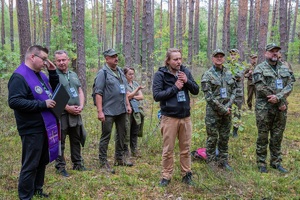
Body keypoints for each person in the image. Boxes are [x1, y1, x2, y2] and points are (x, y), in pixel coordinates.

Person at [8, 45, 59, 199]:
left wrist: (52, 73)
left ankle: (37, 189)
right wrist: (42, 105)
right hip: (31, 128)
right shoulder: (19, 76)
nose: (45, 62)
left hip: (46, 125)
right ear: (32, 57)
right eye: (43, 59)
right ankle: (25, 196)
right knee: (30, 163)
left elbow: (53, 92)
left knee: (42, 160)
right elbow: (15, 102)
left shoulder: (41, 75)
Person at [152, 48, 199, 186]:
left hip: (185, 117)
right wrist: (175, 88)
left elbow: (196, 90)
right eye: (175, 59)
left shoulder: (185, 71)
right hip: (169, 118)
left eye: (180, 58)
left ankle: (186, 174)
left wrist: (187, 81)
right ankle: (166, 176)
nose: (179, 62)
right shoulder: (161, 75)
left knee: (185, 148)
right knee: (168, 149)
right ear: (168, 61)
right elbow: (157, 96)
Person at [253, 43, 294, 173]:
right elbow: (261, 87)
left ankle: (276, 162)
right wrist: (278, 100)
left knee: (277, 135)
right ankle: (261, 162)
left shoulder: (284, 68)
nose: (274, 53)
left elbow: (290, 84)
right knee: (263, 136)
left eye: (276, 51)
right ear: (266, 53)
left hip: (281, 108)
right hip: (264, 108)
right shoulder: (259, 68)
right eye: (272, 51)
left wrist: (279, 98)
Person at [94, 48, 132, 174]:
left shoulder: (120, 71)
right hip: (108, 111)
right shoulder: (102, 73)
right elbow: (98, 93)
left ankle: (119, 158)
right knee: (106, 135)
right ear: (107, 59)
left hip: (121, 110)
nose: (116, 58)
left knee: (122, 134)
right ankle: (103, 162)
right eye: (113, 56)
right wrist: (100, 111)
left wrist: (127, 104)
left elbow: (124, 90)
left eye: (116, 56)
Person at [54, 50, 88, 177]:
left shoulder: (73, 74)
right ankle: (60, 167)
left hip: (76, 113)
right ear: (55, 62)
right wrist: (67, 108)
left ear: (68, 60)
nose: (62, 62)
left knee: (76, 139)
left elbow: (80, 91)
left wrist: (81, 105)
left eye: (64, 60)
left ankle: (78, 164)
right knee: (60, 141)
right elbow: (53, 96)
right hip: (62, 114)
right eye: (59, 60)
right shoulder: (53, 76)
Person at [201, 49, 236, 171]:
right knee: (212, 137)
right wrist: (222, 109)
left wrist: (229, 105)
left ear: (224, 58)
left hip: (227, 111)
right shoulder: (207, 75)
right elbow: (209, 97)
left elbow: (234, 90)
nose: (219, 58)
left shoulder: (228, 73)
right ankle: (210, 161)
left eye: (221, 56)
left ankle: (223, 161)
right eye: (217, 56)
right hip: (213, 113)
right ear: (212, 58)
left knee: (224, 137)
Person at [123, 67, 145, 158]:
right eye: (130, 74)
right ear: (125, 75)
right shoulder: (124, 84)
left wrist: (132, 96)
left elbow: (141, 97)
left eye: (133, 74)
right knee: (127, 130)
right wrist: (136, 91)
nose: (132, 76)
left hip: (136, 110)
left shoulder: (135, 83)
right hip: (127, 110)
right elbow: (127, 97)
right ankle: (125, 151)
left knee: (135, 130)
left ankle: (134, 150)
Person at [229, 48, 245, 137]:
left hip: (238, 93)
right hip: (228, 93)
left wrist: (231, 74)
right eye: (231, 54)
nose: (233, 56)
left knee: (237, 112)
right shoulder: (226, 66)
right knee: (227, 111)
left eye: (234, 54)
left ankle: (235, 131)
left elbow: (239, 76)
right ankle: (227, 129)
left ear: (238, 56)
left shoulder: (241, 66)